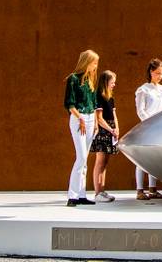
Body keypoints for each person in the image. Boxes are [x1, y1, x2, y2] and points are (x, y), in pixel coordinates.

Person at [63, 49, 99, 206]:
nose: (95, 66)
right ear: (87, 62)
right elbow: (69, 103)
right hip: (79, 118)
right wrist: (80, 118)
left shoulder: (90, 79)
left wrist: (96, 122)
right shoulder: (73, 79)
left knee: (85, 160)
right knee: (81, 157)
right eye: (94, 63)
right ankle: (72, 195)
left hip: (91, 119)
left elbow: (93, 102)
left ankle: (82, 194)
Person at [135, 58, 162, 200]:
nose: (160, 76)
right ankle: (139, 190)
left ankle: (153, 188)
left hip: (161, 128)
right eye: (157, 73)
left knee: (154, 157)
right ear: (151, 72)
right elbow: (140, 110)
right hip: (148, 126)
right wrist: (150, 122)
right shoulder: (143, 90)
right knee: (142, 158)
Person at [90, 69, 120, 203]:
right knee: (100, 162)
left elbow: (113, 115)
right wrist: (110, 129)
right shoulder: (99, 96)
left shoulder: (110, 97)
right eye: (112, 82)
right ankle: (97, 192)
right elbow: (99, 118)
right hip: (102, 131)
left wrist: (117, 128)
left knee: (105, 162)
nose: (114, 84)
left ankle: (102, 190)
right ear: (106, 82)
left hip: (111, 131)